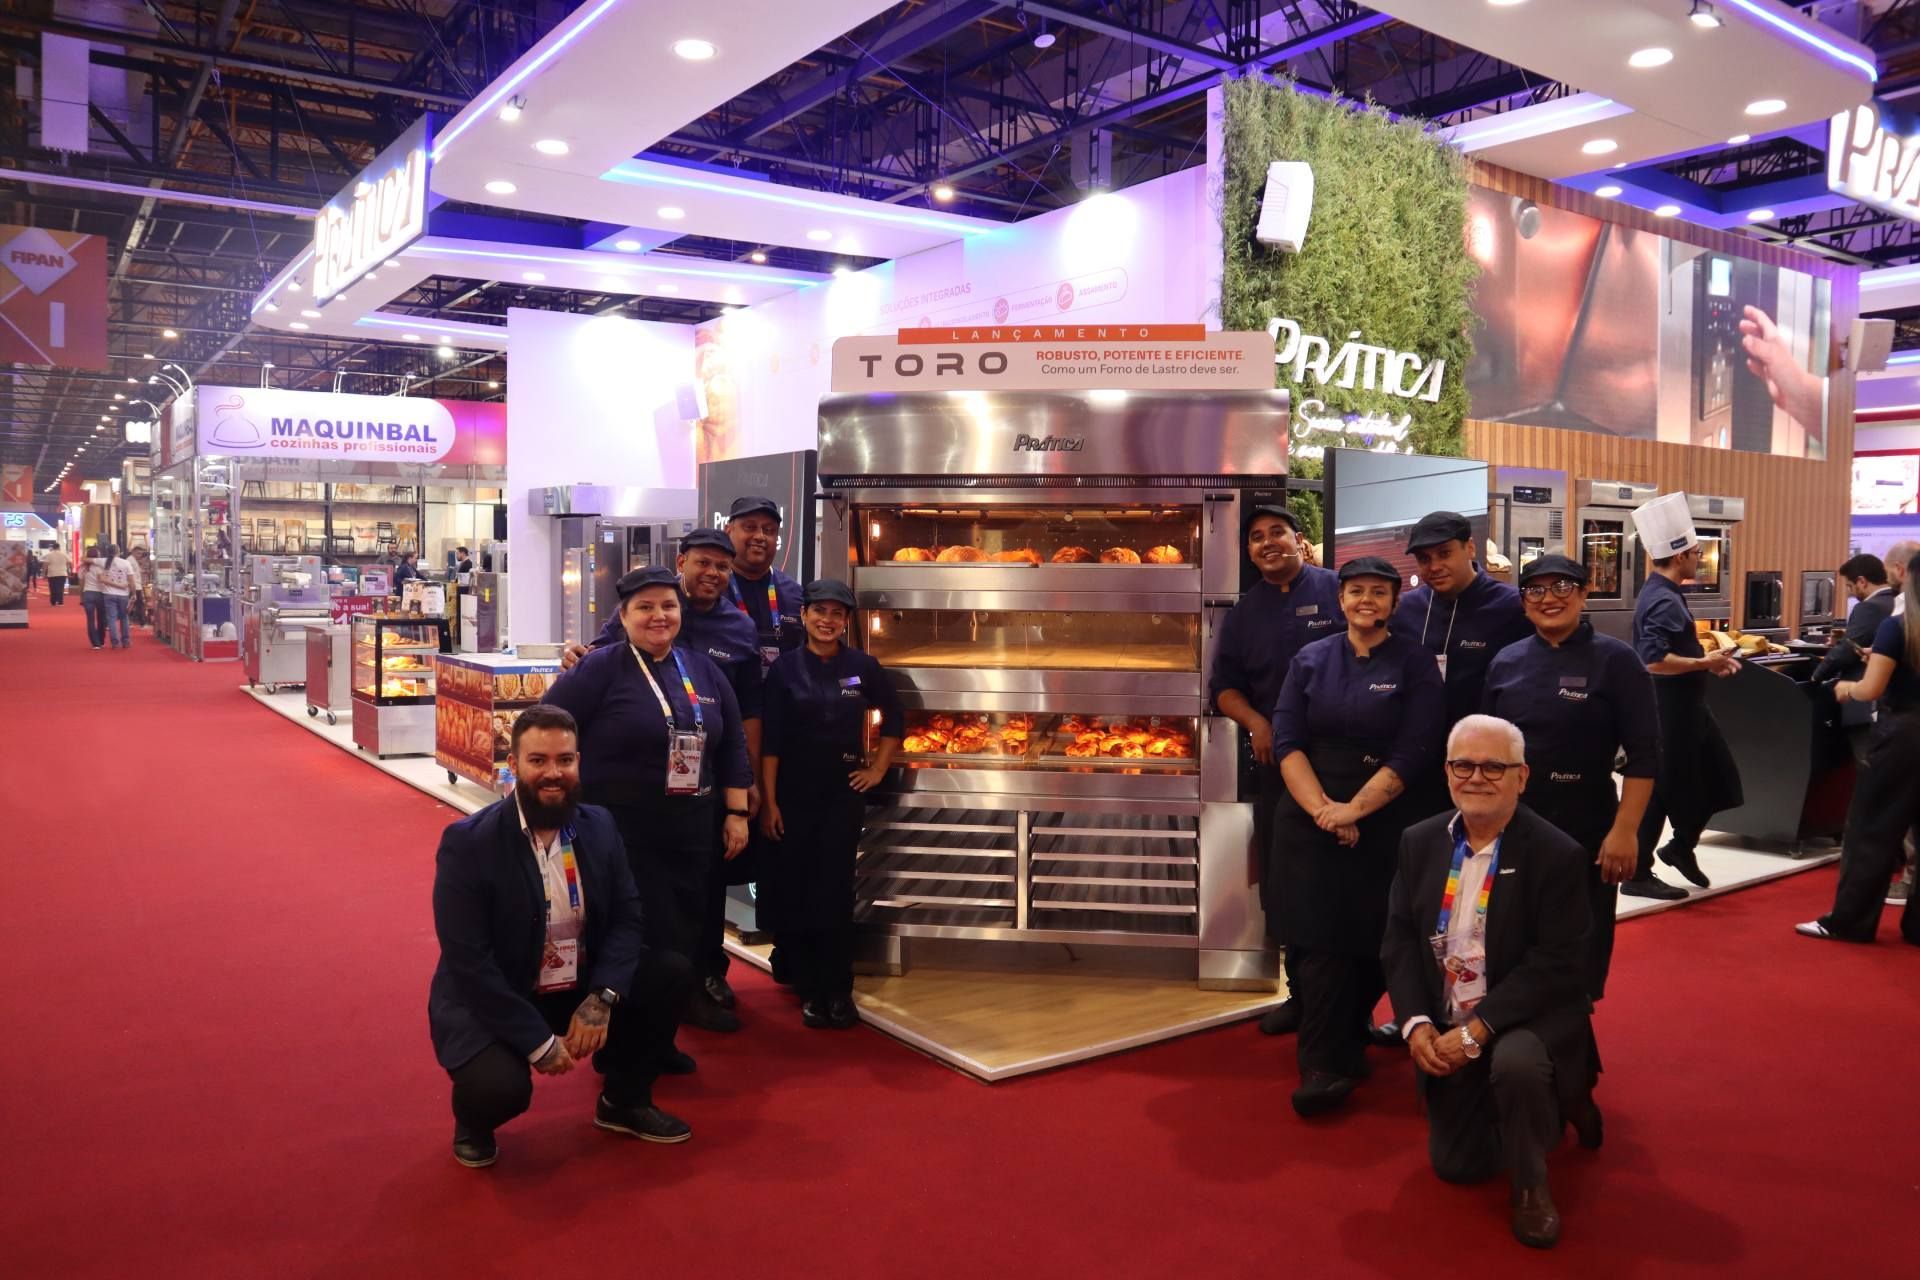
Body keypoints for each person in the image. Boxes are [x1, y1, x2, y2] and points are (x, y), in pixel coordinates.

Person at [428, 705, 694, 1167]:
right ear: (513, 763)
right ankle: (473, 1121)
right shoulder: (468, 844)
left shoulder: (599, 825)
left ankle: (623, 1101)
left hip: (576, 979)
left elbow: (628, 916)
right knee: (499, 1088)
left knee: (669, 973)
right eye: (538, 761)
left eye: (565, 760)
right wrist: (538, 1041)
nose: (554, 773)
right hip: (503, 991)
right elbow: (469, 963)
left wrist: (603, 996)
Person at [1382, 715, 1599, 1251]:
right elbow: (1402, 940)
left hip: (1528, 1014)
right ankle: (1524, 1108)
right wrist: (1415, 1024)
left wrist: (1480, 1029)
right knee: (1458, 1168)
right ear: (1447, 771)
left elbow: (1558, 964)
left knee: (1516, 1064)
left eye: (1494, 766)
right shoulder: (1418, 841)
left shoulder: (1557, 854)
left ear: (1522, 777)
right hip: (1451, 1011)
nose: (1476, 777)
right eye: (1463, 765)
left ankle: (1532, 1183)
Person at [542, 565, 751, 1074]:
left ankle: (657, 1042)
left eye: (668, 606)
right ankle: (620, 1052)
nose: (659, 616)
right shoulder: (599, 668)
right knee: (634, 943)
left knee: (682, 940)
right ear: (624, 615)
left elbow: (733, 746)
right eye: (645, 607)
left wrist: (737, 812)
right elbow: (548, 729)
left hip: (690, 830)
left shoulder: (702, 670)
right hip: (619, 835)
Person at [1268, 555, 1445, 1116]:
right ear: (1340, 599)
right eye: (1355, 591)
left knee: (1375, 937)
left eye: (1378, 592)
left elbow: (1415, 748)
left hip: (1386, 814)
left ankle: (1347, 1036)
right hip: (1307, 812)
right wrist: (1326, 811)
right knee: (1315, 941)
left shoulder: (1416, 664)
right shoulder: (1310, 659)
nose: (1366, 600)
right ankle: (1323, 1064)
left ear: (1395, 602)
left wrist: (1356, 812)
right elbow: (1287, 740)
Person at [1482, 554, 1660, 1002]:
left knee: (1581, 941)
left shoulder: (1618, 661)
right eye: (1536, 590)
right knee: (1510, 936)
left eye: (1562, 586)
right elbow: (1487, 748)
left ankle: (1568, 1044)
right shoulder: (1506, 661)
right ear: (1523, 603)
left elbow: (1645, 755)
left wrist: (1625, 830)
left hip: (1589, 822)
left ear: (1583, 594)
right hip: (1515, 823)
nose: (1549, 598)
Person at [1207, 503, 1341, 1038]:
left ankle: (1348, 1002)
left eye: (1277, 533)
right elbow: (1223, 689)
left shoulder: (1338, 590)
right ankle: (1300, 993)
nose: (1267, 543)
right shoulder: (1245, 612)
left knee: (1341, 882)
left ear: (1299, 539)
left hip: (1341, 763)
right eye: (1256, 537)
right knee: (1284, 882)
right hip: (1275, 767)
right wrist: (1258, 724)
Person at [760, 579, 902, 1027]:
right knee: (797, 887)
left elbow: (895, 719)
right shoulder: (784, 669)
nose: (827, 620)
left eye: (837, 613)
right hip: (792, 793)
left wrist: (877, 769)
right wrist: (769, 802)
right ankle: (808, 987)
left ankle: (839, 990)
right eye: (819, 611)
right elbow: (771, 742)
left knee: (835, 889)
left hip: (843, 793)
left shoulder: (864, 665)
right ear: (803, 616)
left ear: (846, 621)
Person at [1622, 493, 1743, 901]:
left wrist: (1708, 662)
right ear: (1680, 557)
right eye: (1696, 553)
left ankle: (1679, 847)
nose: (1700, 559)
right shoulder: (1661, 599)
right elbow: (1653, 660)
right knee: (1661, 790)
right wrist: (1703, 664)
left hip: (1688, 708)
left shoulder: (1665, 594)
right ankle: (1639, 870)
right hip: (1670, 711)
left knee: (1721, 778)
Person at [1797, 551, 1920, 944]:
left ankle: (1848, 921)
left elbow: (1871, 689)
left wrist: (1848, 687)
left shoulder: (1897, 628)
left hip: (1901, 735)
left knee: (1871, 829)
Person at [1391, 511, 1533, 739]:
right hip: (1417, 748)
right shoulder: (1406, 609)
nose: (1435, 566)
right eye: (1424, 559)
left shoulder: (1513, 607)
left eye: (1444, 553)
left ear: (1470, 548)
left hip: (1485, 751)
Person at [721, 496, 805, 670]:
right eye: (750, 527)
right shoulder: (712, 589)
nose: (760, 536)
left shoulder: (795, 595)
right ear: (728, 531)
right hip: (729, 694)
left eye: (769, 530)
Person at [1811, 554, 1895, 687]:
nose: (1849, 593)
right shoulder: (1899, 600)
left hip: (1862, 688)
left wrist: (1815, 676)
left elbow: (1847, 651)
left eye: (1849, 586)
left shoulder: (1869, 607)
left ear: (1862, 581)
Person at [100, 542, 139, 649]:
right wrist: (134, 593)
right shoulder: (125, 563)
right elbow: (131, 581)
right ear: (118, 552)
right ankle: (125, 641)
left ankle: (115, 642)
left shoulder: (103, 562)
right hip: (123, 595)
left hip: (108, 594)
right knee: (124, 618)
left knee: (111, 619)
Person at [79, 544, 108, 650]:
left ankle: (95, 643)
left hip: (88, 594)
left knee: (90, 619)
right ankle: (101, 639)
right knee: (101, 618)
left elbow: (81, 584)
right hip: (100, 593)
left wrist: (81, 597)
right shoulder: (100, 567)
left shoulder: (83, 568)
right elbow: (103, 581)